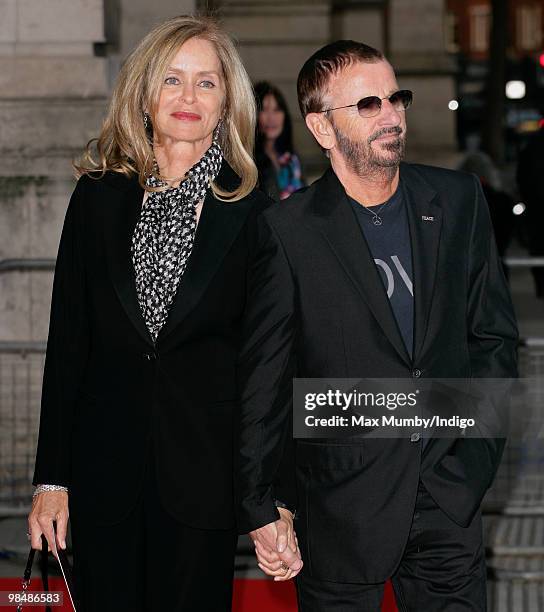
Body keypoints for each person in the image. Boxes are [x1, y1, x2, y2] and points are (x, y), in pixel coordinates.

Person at [27, 15, 301, 612]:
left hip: (204, 479)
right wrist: (52, 480)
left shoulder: (254, 215)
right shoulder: (97, 198)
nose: (188, 97)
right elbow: (68, 342)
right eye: (173, 79)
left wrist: (269, 495)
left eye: (207, 83)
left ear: (227, 102)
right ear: (144, 94)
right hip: (104, 473)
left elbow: (267, 369)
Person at [236, 40, 518, 610]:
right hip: (340, 510)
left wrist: (472, 463)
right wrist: (264, 502)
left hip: (447, 499)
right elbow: (266, 379)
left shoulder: (458, 200)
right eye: (368, 104)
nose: (391, 115)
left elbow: (492, 339)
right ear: (321, 128)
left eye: (396, 98)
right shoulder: (287, 232)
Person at [254, 81, 304, 200]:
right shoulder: (248, 161)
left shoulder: (292, 157)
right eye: (264, 109)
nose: (271, 118)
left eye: (277, 110)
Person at [517, 126, 544, 297]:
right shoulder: (535, 144)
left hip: (537, 206)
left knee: (538, 245)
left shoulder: (534, 143)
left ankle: (541, 285)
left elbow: (523, 176)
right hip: (537, 205)